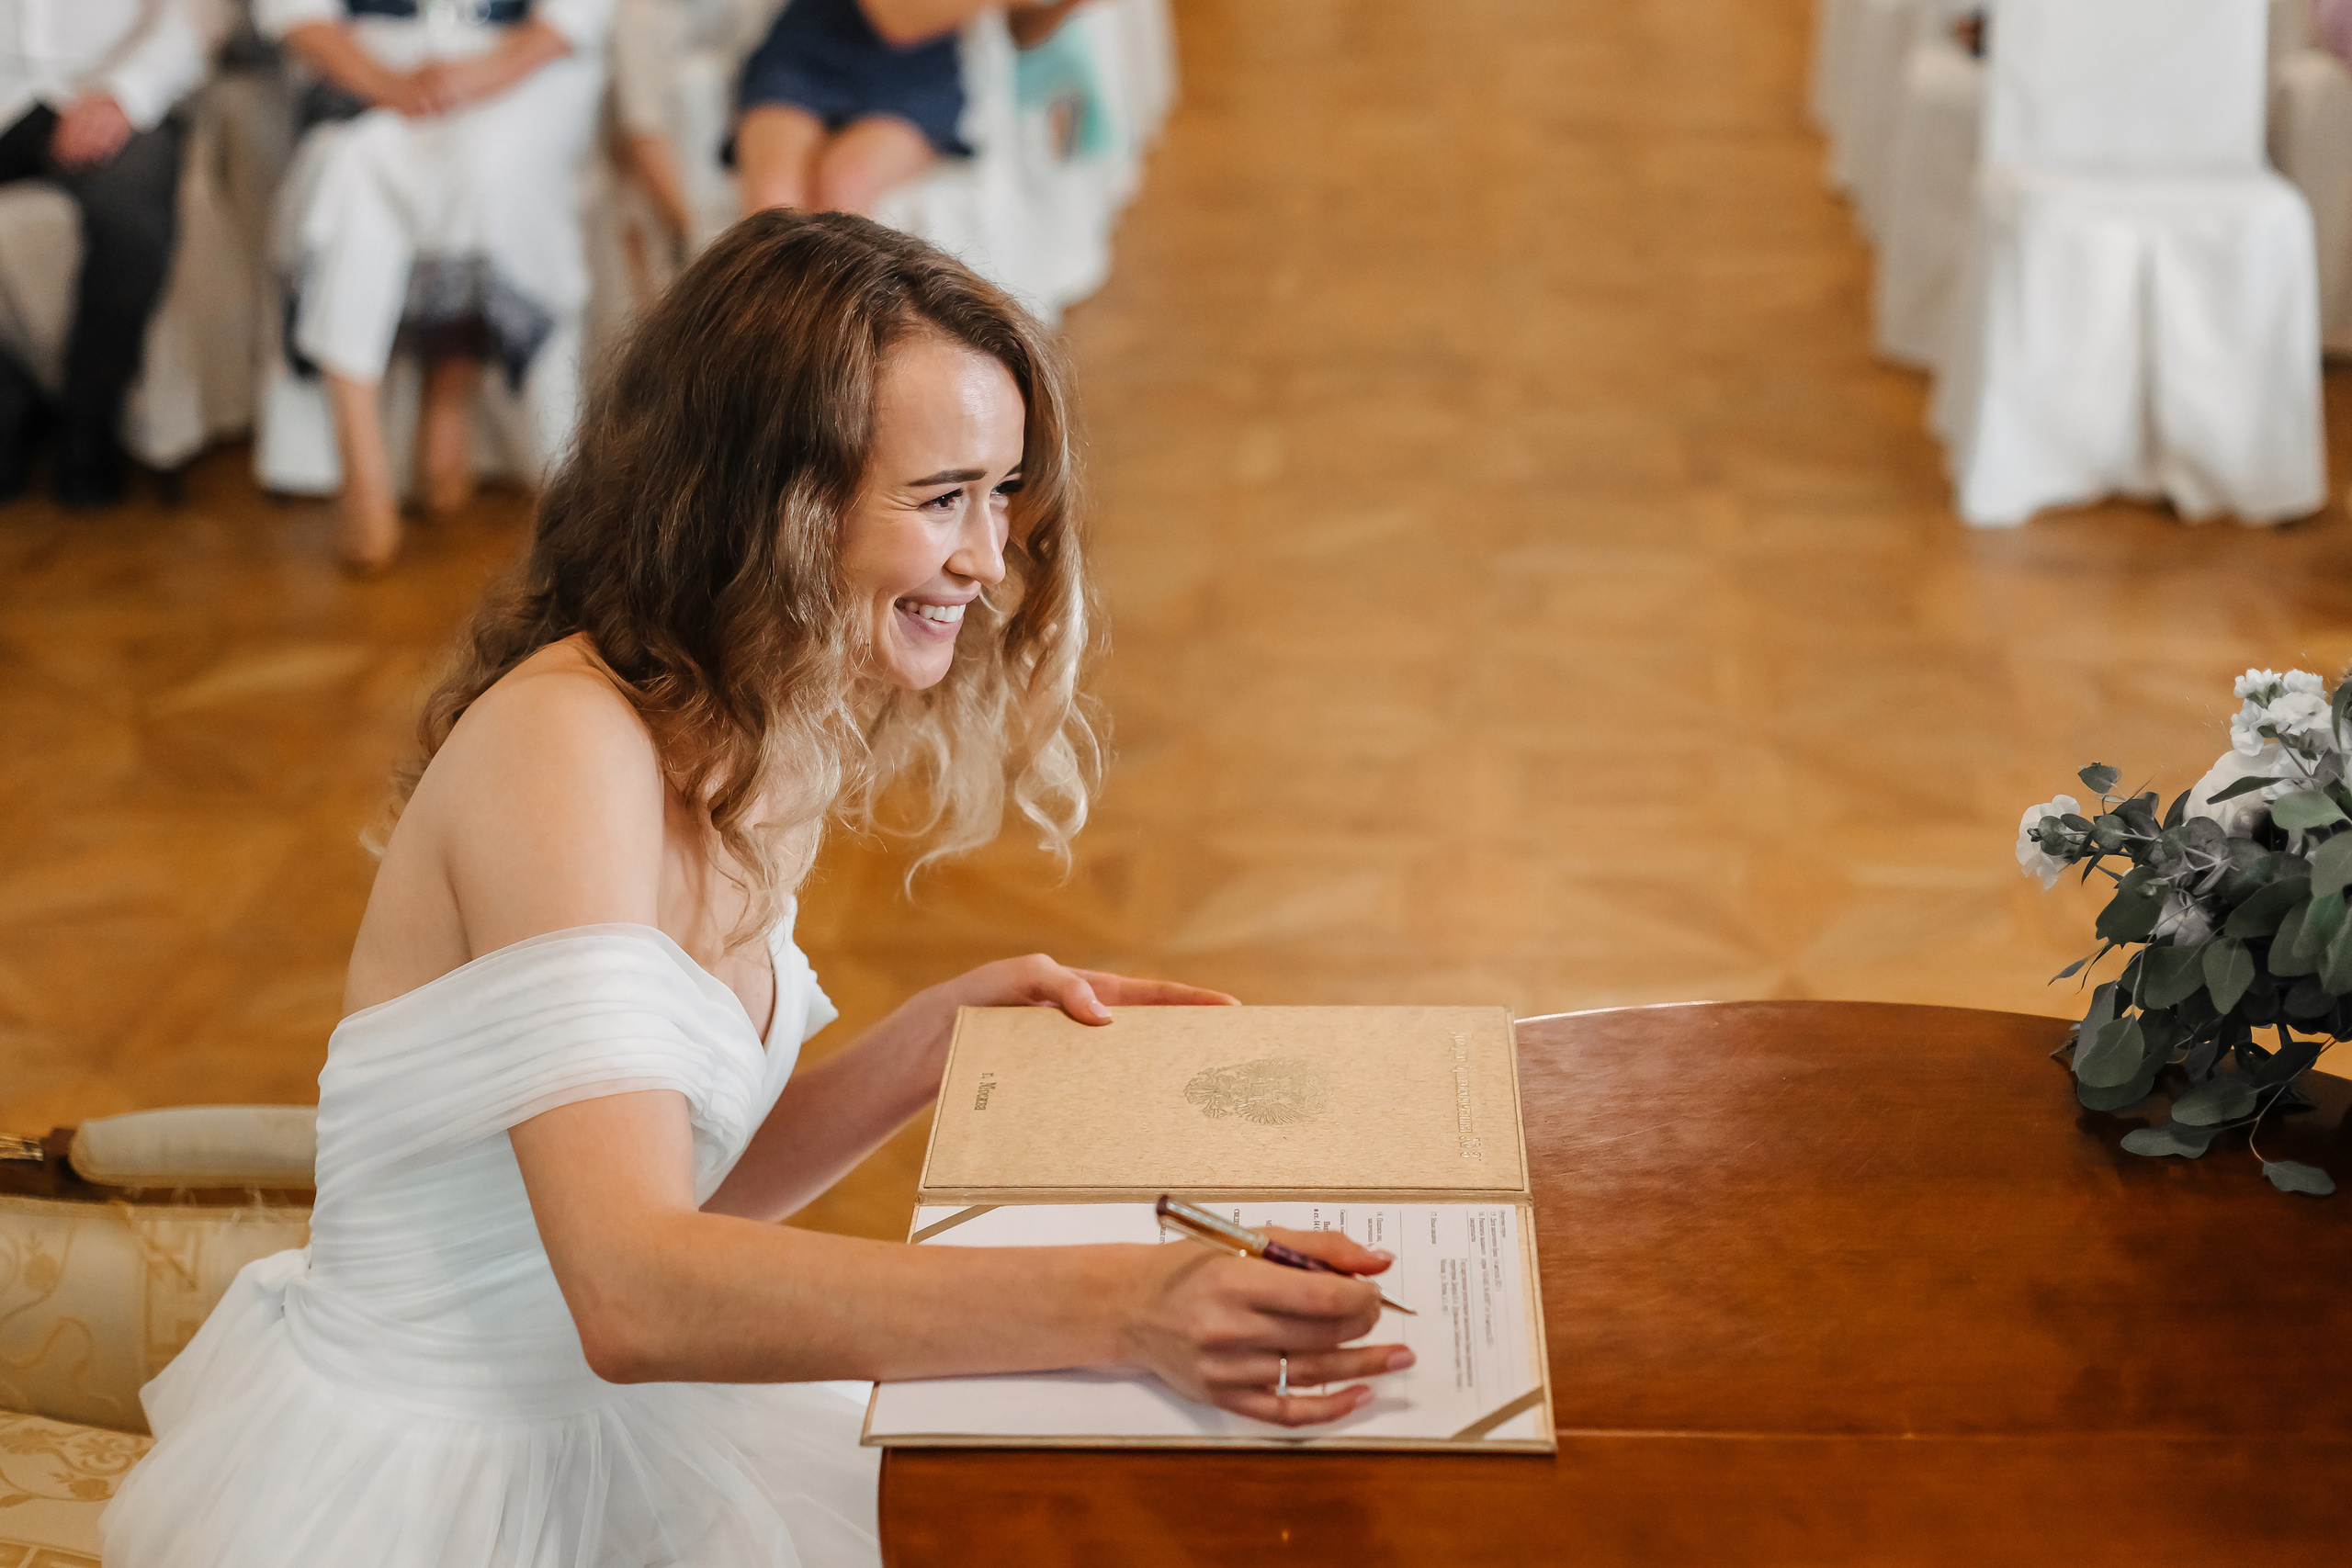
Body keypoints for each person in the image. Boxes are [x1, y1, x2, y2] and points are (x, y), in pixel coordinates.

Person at [102, 210, 1411, 1566]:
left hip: (619, 1428)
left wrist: (928, 1047)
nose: (990, 557)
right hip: (434, 1485)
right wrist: (1121, 1302)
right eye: (942, 495)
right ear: (773, 499)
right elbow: (632, 1290)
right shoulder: (565, 750)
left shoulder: (755, 729)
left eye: (1003, 492)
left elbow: (683, 1195)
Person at [261, 0, 610, 575]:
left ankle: (446, 400)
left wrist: (476, 76)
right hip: (368, 63)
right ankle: (361, 453)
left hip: (519, 69)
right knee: (351, 167)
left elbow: (573, 17)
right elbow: (294, 12)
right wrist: (388, 82)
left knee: (486, 172)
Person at [0, 0, 209, 505]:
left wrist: (123, 94)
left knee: (131, 224)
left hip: (106, 90)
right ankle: (10, 397)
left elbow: (193, 22)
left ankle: (87, 426)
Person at [736, 0, 1085, 218]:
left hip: (919, 75)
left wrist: (1067, 4)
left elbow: (1018, 34)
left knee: (846, 185)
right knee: (772, 203)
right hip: (808, 51)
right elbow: (893, 18)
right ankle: (772, 333)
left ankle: (828, 334)